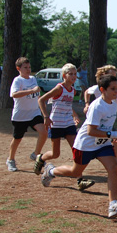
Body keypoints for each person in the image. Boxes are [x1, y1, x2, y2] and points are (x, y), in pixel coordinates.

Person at [40, 74, 117, 219]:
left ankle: (113, 205)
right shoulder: (96, 106)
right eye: (113, 89)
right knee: (75, 172)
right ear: (102, 90)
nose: (116, 92)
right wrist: (114, 134)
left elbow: (106, 123)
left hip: (102, 144)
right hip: (86, 144)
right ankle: (50, 171)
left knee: (113, 168)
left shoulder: (113, 102)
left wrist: (111, 136)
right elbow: (91, 131)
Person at [33, 63, 94, 192]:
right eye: (70, 74)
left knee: (76, 150)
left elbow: (67, 105)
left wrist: (75, 115)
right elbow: (41, 100)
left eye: (75, 74)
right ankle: (41, 158)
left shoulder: (73, 90)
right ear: (64, 76)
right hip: (56, 123)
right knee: (56, 154)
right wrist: (45, 117)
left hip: (68, 123)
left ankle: (80, 180)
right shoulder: (59, 88)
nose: (73, 76)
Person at [84, 65, 117, 174]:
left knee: (113, 139)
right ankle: (114, 163)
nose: (113, 78)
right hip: (99, 119)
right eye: (111, 75)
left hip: (108, 119)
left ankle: (116, 163)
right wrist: (86, 104)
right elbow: (86, 92)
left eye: (115, 76)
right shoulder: (97, 89)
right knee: (108, 138)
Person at [6, 57, 47, 172]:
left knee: (44, 132)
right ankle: (11, 160)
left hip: (34, 112)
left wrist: (42, 100)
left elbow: (36, 94)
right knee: (17, 139)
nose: (28, 70)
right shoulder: (17, 80)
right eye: (25, 68)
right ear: (18, 68)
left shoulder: (33, 79)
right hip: (21, 115)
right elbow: (14, 94)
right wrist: (31, 91)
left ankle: (35, 154)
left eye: (29, 67)